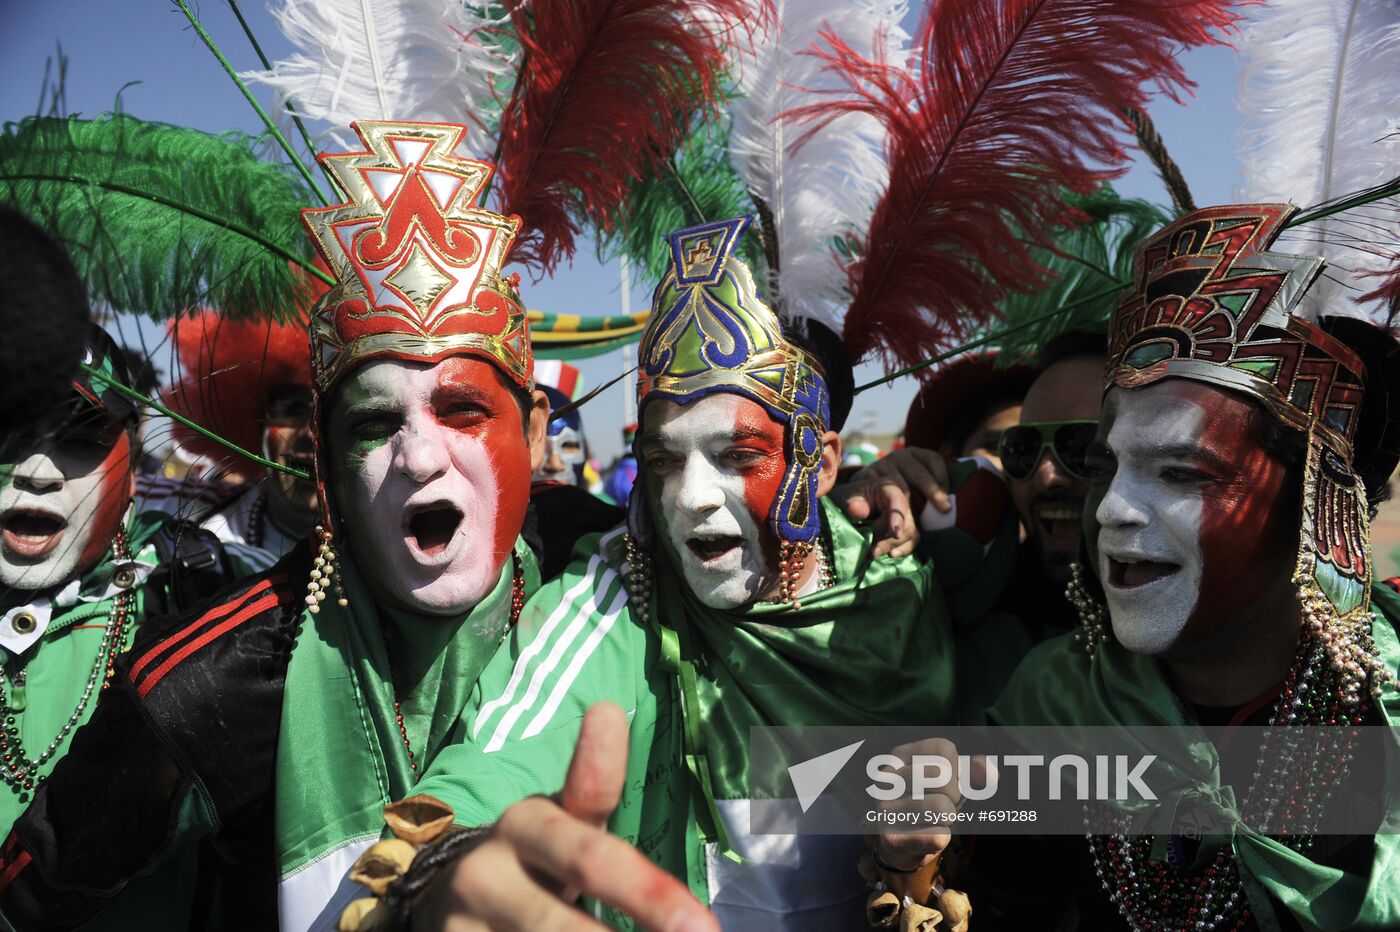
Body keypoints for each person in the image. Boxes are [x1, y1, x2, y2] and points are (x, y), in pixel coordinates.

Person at [0, 121, 715, 932]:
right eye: (374, 426)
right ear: (330, 471)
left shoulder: (609, 573)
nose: (418, 457)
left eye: (462, 410)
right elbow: (29, 891)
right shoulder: (212, 686)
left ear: (538, 430)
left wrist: (894, 833)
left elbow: (814, 720)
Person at [390, 216, 1012, 931]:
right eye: (663, 460)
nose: (690, 497)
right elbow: (499, 757)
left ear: (826, 465)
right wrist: (441, 872)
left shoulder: (907, 577)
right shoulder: (622, 592)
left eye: (737, 456)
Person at [982, 204, 1400, 930]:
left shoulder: (1384, 711)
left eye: (1179, 472)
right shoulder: (1052, 706)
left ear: (1314, 503)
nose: (1111, 508)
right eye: (1104, 463)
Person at [139, 310, 321, 570]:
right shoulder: (184, 508)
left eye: (329, 408)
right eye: (291, 406)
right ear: (254, 423)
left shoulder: (392, 543)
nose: (310, 433)